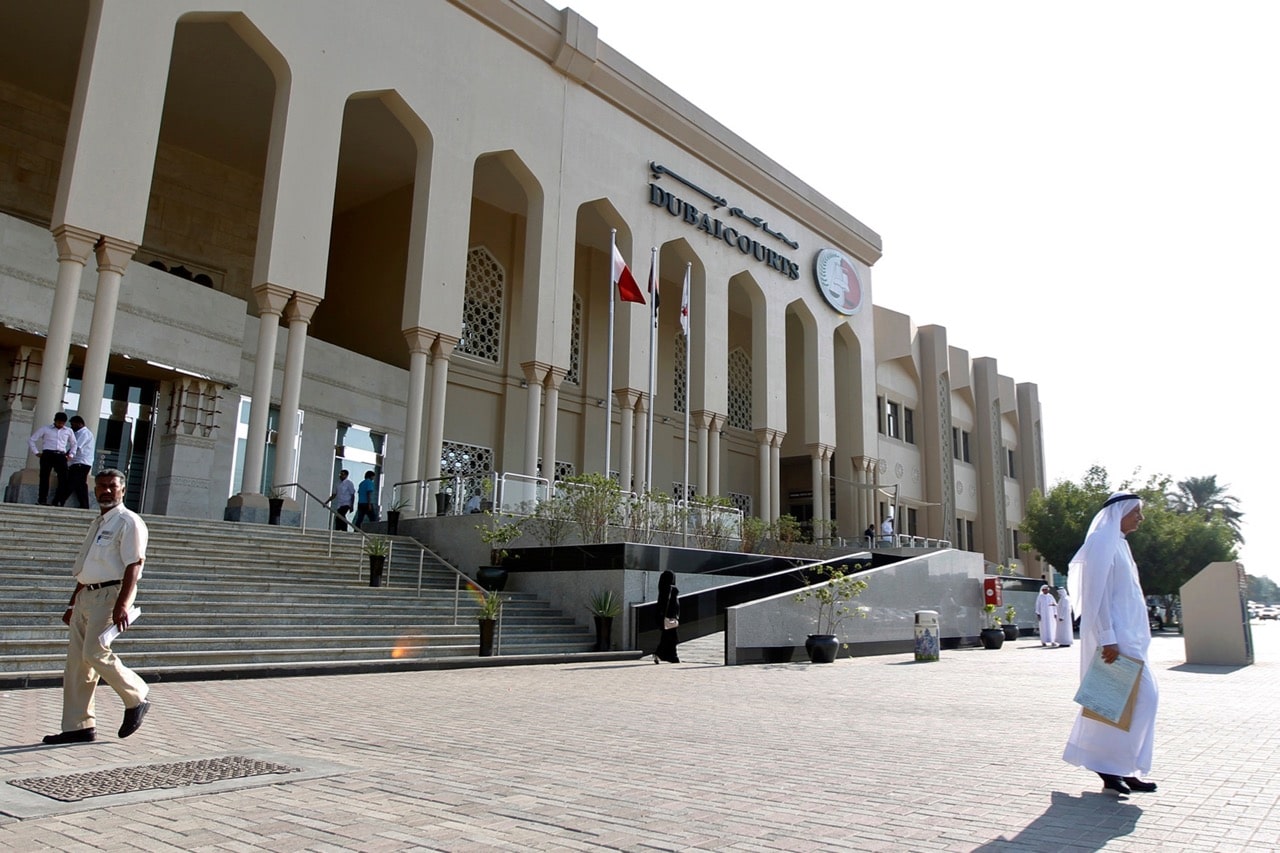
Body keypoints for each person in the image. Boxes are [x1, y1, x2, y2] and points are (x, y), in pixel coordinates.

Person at [43, 468, 151, 744]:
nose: (105, 490)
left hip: (110, 595)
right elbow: (87, 567)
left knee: (95, 652)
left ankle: (136, 696)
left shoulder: (128, 522)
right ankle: (78, 726)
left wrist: (123, 604)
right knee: (77, 664)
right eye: (101, 486)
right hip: (85, 596)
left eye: (111, 486)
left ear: (122, 490)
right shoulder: (99, 522)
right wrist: (71, 603)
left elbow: (133, 566)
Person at [1062, 492, 1159, 796]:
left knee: (1119, 704)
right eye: (1136, 513)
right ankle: (1109, 766)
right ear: (1121, 512)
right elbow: (1097, 596)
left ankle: (1121, 767)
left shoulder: (1121, 545)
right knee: (1136, 699)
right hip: (1116, 640)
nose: (1140, 518)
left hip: (1131, 637)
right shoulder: (1102, 543)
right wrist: (1107, 638)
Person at [28, 411, 77, 506]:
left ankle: (58, 500)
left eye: (62, 423)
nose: (60, 425)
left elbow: (74, 443)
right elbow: (32, 440)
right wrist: (36, 452)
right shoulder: (45, 429)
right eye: (59, 422)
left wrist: (71, 455)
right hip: (48, 454)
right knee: (44, 477)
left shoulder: (68, 431)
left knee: (63, 478)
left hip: (60, 455)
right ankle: (42, 499)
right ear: (55, 421)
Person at [57, 415, 96, 509]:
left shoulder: (84, 433)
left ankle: (60, 501)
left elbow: (77, 447)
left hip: (81, 462)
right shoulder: (79, 433)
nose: (71, 426)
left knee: (71, 482)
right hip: (80, 463)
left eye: (73, 424)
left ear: (80, 424)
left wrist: (65, 456)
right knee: (81, 485)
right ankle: (84, 505)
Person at [653, 570, 681, 663]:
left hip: (664, 617)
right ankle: (665, 654)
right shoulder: (671, 589)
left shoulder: (662, 587)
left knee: (667, 636)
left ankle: (667, 655)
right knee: (671, 637)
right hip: (670, 618)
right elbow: (673, 604)